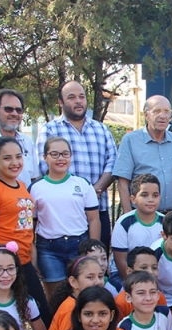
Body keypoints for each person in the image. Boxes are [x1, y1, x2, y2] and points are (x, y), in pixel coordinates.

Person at [0, 137, 50, 327]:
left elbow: (25, 226)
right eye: (7, 158)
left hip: (24, 261)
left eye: (18, 156)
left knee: (41, 312)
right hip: (3, 265)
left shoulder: (22, 187)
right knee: (3, 317)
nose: (15, 162)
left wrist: (32, 255)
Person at [36, 81, 117, 248]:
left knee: (96, 263)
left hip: (98, 208)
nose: (78, 101)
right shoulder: (50, 130)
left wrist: (94, 191)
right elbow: (44, 167)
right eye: (71, 97)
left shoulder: (101, 130)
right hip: (63, 214)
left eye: (82, 97)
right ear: (61, 102)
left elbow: (113, 162)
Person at [29, 136, 100, 300]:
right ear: (45, 157)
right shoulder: (36, 188)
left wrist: (93, 249)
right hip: (48, 249)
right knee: (57, 299)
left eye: (65, 154)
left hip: (79, 246)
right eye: (54, 154)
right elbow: (30, 226)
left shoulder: (82, 184)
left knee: (83, 295)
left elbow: (93, 219)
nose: (60, 158)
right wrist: (32, 254)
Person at [113, 95, 172, 213]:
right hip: (143, 216)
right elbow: (123, 181)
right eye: (157, 111)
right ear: (146, 115)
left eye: (167, 112)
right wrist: (128, 217)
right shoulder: (130, 141)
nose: (163, 116)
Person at [40, 256, 106, 330]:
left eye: (100, 276)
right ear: (74, 282)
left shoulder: (85, 303)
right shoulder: (70, 309)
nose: (97, 282)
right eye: (90, 277)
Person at [110, 174, 164, 287]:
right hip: (126, 275)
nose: (150, 200)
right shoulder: (124, 223)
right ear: (133, 199)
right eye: (144, 195)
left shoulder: (165, 222)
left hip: (155, 273)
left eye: (155, 195)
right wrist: (134, 285)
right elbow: (121, 262)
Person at [114, 247, 167, 318]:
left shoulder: (159, 297)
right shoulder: (121, 302)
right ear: (129, 271)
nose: (150, 272)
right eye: (144, 268)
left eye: (154, 268)